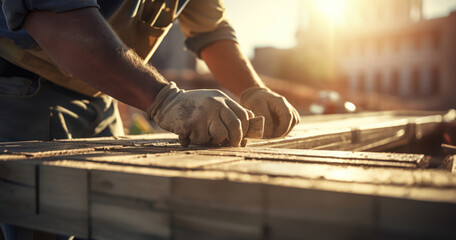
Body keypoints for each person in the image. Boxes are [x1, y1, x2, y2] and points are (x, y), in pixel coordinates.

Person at [0, 0, 300, 238]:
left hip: (102, 94)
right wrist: (163, 99)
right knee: (38, 215)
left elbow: (212, 29)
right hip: (20, 88)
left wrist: (252, 89)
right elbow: (52, 14)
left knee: (113, 215)